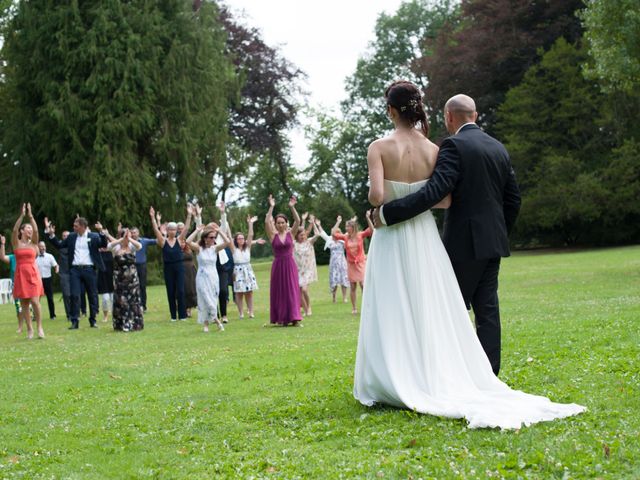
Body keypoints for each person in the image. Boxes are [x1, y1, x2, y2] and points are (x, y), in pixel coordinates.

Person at [358, 81, 585, 428]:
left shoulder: (446, 147)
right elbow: (508, 199)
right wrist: (498, 232)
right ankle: (486, 374)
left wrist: (386, 214)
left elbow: (419, 193)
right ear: (475, 114)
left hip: (444, 240)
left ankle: (439, 373)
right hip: (481, 241)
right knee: (485, 310)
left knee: (435, 310)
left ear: (449, 116)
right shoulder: (492, 148)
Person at [45, 216, 108, 329]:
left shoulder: (93, 236)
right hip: (75, 270)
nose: (73, 228)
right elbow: (59, 245)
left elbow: (103, 245)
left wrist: (101, 232)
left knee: (92, 295)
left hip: (89, 269)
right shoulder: (71, 237)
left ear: (83, 227)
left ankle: (93, 320)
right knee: (74, 295)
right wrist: (51, 235)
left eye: (76, 226)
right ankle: (74, 321)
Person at [149, 204, 192, 322]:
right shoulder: (163, 242)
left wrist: (189, 214)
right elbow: (155, 230)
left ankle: (182, 315)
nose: (172, 231)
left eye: (174, 229)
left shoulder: (179, 240)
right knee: (171, 291)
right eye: (170, 229)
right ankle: (173, 316)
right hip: (168, 267)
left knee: (181, 290)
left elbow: (186, 229)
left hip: (179, 266)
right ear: (167, 230)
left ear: (176, 231)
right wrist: (153, 218)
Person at [265, 194, 302, 326]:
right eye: (278, 223)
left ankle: (295, 318)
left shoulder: (291, 234)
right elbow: (266, 221)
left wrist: (292, 207)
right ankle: (281, 318)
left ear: (286, 223)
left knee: (291, 290)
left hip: (289, 264)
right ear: (275, 224)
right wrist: (271, 207)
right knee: (279, 291)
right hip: (278, 265)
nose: (280, 225)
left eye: (282, 222)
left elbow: (298, 221)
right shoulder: (272, 235)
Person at [186, 223, 231, 332]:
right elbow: (187, 241)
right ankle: (217, 322)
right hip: (202, 277)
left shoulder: (215, 249)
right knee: (205, 299)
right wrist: (197, 231)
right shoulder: (199, 249)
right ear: (205, 239)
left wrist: (219, 231)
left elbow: (228, 242)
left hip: (213, 277)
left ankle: (206, 324)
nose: (213, 239)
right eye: (211, 237)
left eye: (214, 238)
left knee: (212, 300)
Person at [11, 203, 45, 339]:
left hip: (32, 273)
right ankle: (29, 329)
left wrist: (30, 217)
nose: (30, 230)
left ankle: (39, 327)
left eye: (31, 228)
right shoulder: (16, 243)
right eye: (28, 228)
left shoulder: (34, 243)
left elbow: (36, 232)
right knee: (24, 303)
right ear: (22, 231)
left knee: (35, 301)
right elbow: (14, 231)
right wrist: (21, 216)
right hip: (20, 274)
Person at [332, 216, 373, 314]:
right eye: (346, 227)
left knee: (363, 284)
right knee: (353, 286)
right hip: (351, 264)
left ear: (353, 227)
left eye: (347, 227)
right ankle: (354, 308)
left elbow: (372, 230)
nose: (346, 229)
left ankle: (366, 306)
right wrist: (338, 222)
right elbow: (333, 234)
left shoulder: (360, 235)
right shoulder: (345, 237)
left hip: (361, 263)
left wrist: (367, 217)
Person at [108, 228, 143, 332]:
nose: (128, 239)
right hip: (119, 278)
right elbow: (109, 246)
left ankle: (134, 323)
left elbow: (139, 246)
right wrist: (121, 239)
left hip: (132, 278)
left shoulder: (132, 247)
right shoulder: (116, 248)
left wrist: (130, 239)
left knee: (133, 300)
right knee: (121, 300)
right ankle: (122, 323)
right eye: (126, 237)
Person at [230, 215, 261, 319]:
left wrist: (250, 224)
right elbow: (228, 237)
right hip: (238, 270)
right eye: (239, 238)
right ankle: (241, 313)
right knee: (239, 293)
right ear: (236, 240)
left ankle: (251, 312)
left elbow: (251, 235)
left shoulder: (247, 248)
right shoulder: (234, 249)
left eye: (242, 238)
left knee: (249, 292)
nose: (241, 240)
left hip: (247, 269)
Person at [314, 217, 349, 303]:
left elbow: (350, 233)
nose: (335, 234)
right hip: (333, 263)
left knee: (343, 279)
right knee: (334, 280)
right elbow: (322, 233)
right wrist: (319, 225)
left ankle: (344, 297)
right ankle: (334, 298)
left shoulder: (343, 240)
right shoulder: (329, 239)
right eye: (334, 232)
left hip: (342, 262)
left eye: (337, 232)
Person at [293, 214, 320, 316]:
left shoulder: (309, 242)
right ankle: (305, 309)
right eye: (301, 235)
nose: (303, 236)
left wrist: (313, 223)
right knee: (299, 292)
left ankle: (309, 307)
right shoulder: (294, 244)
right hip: (298, 271)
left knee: (304, 289)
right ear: (297, 236)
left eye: (304, 234)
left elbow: (317, 234)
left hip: (308, 270)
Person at [1, 235, 27, 332]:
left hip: (27, 284)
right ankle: (20, 327)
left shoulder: (26, 254)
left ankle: (32, 326)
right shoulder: (13, 257)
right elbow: (3, 257)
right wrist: (3, 244)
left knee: (29, 306)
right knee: (18, 306)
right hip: (16, 285)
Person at [215, 202, 234, 324]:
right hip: (210, 268)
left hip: (221, 266)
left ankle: (224, 315)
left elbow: (224, 226)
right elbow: (199, 228)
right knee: (212, 292)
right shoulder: (205, 241)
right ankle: (214, 315)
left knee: (223, 290)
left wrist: (222, 212)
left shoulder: (219, 238)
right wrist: (197, 217)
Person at [130, 228, 156, 312]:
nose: (133, 234)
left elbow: (157, 240)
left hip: (141, 265)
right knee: (132, 286)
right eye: (132, 233)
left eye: (135, 232)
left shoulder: (144, 241)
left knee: (142, 286)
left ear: (138, 233)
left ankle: (143, 305)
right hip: (131, 265)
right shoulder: (128, 242)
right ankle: (133, 304)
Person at [35, 241, 59, 320]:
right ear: (38, 248)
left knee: (50, 298)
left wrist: (56, 270)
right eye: (41, 246)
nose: (43, 248)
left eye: (44, 246)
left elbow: (56, 265)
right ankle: (35, 316)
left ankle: (52, 315)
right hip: (38, 280)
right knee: (36, 299)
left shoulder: (50, 256)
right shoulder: (34, 258)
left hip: (48, 279)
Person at [97, 245, 114, 323]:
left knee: (113, 299)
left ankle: (115, 315)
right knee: (105, 299)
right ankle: (105, 316)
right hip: (102, 279)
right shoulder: (98, 253)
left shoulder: (113, 251)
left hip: (112, 278)